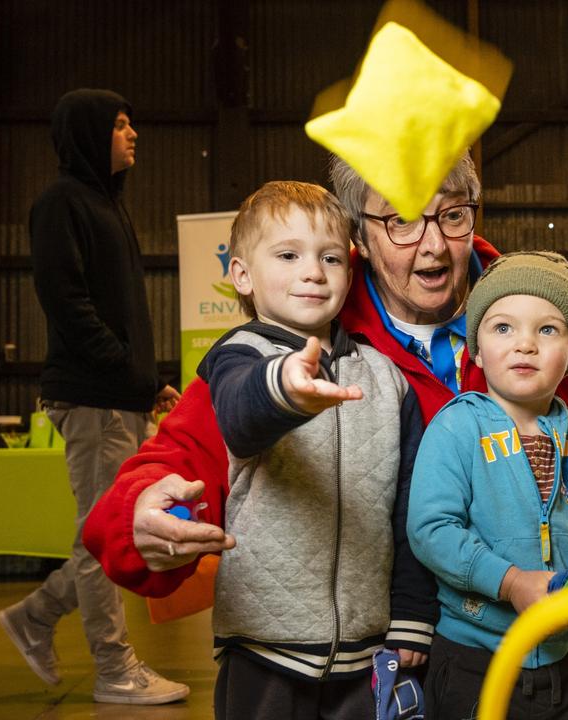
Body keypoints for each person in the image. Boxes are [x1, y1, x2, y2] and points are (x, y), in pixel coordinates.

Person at [81, 151, 568, 609]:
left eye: (453, 217)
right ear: (358, 231)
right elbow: (181, 455)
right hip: (383, 657)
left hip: (545, 637)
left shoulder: (536, 320)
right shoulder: (304, 335)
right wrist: (139, 518)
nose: (432, 247)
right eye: (402, 222)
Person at [195, 181, 435, 717]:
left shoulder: (385, 377)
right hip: (263, 646)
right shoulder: (239, 355)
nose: (313, 271)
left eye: (331, 257)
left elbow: (409, 508)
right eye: (288, 255)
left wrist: (411, 615)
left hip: (365, 648)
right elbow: (239, 417)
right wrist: (282, 387)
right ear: (242, 275)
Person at [0, 88, 187, 706]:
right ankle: (114, 668)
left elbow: (120, 312)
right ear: (89, 133)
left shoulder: (107, 203)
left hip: (117, 394)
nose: (133, 134)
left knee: (106, 533)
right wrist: (123, 372)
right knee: (105, 534)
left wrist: (147, 379)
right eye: (121, 124)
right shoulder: (60, 204)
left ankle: (35, 616)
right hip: (91, 395)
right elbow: (67, 304)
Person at [408, 252, 568, 719]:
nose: (525, 345)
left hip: (565, 657)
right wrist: (510, 583)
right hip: (476, 656)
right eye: (503, 328)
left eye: (547, 330)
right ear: (475, 348)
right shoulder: (456, 429)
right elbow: (432, 529)